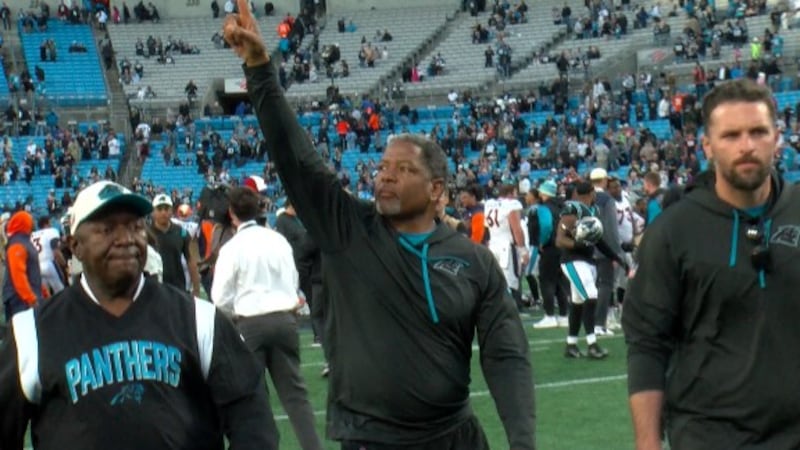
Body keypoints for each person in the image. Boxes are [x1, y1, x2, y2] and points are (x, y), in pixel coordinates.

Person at [223, 2, 535, 447]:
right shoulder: (349, 228)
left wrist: (523, 442)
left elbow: (507, 356)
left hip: (454, 437)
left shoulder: (473, 261)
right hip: (369, 440)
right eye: (383, 166)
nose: (385, 175)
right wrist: (258, 68)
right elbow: (296, 158)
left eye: (403, 169)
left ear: (437, 190)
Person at [0, 180, 277, 449]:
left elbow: (251, 413)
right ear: (75, 246)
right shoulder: (31, 333)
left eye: (135, 226)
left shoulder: (199, 319)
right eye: (107, 229)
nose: (125, 239)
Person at [624, 79, 800, 449]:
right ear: (707, 145)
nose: (746, 146)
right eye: (731, 135)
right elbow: (647, 345)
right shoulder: (674, 231)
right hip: (710, 435)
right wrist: (647, 444)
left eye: (758, 132)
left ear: (777, 137)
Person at [212, 187, 323, 450]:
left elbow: (220, 298)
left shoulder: (232, 248)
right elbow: (293, 280)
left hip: (250, 322)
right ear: (260, 209)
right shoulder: (277, 240)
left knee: (252, 399)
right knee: (296, 395)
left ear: (231, 213)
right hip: (285, 319)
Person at [555, 181, 627, 359]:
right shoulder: (573, 209)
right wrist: (578, 243)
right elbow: (560, 240)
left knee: (579, 303)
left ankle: (571, 345)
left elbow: (598, 240)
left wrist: (615, 257)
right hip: (573, 261)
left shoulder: (592, 210)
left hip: (587, 261)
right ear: (592, 192)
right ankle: (592, 344)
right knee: (591, 295)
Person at [530, 180, 569, 329]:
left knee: (547, 281)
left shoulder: (544, 208)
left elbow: (546, 226)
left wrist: (541, 241)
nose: (539, 193)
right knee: (560, 281)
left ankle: (550, 316)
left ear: (545, 192)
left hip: (550, 247)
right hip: (563, 247)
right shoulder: (563, 206)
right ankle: (564, 315)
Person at [588, 168, 623, 336]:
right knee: (605, 285)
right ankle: (599, 323)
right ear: (603, 180)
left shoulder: (583, 196)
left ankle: (590, 322)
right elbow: (610, 228)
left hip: (585, 247)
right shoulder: (606, 199)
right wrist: (615, 252)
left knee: (592, 286)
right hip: (602, 248)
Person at [484, 184, 528, 311]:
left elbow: (487, 227)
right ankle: (511, 312)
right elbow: (517, 230)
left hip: (493, 245)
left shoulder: (489, 204)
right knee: (511, 281)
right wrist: (523, 250)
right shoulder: (511, 205)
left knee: (497, 280)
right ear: (511, 193)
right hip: (507, 247)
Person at [150, 193, 201, 296]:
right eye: (159, 209)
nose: (163, 212)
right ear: (153, 212)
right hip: (153, 289)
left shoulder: (181, 232)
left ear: (172, 211)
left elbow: (191, 261)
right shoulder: (146, 233)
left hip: (177, 287)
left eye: (166, 208)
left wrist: (196, 288)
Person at [2, 211, 43, 322]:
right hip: (20, 299)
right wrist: (31, 299)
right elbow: (18, 275)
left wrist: (42, 290)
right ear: (23, 223)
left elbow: (33, 272)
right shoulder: (17, 244)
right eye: (30, 219)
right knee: (23, 334)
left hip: (26, 297)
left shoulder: (24, 241)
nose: (33, 222)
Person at [31, 216, 67, 297]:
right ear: (47, 223)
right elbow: (55, 250)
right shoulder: (51, 231)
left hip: (36, 267)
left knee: (46, 296)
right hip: (49, 264)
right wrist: (64, 264)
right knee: (61, 292)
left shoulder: (33, 235)